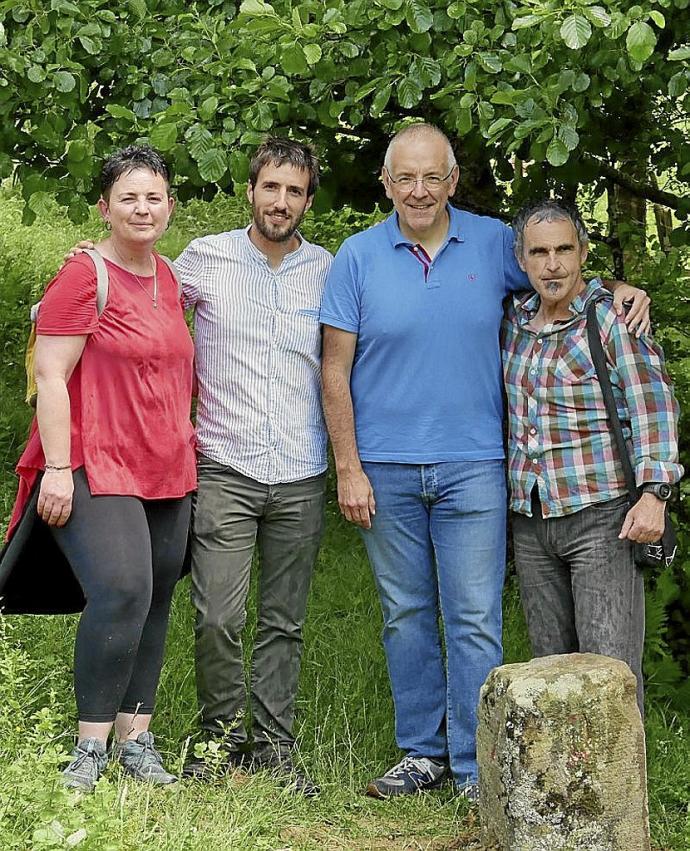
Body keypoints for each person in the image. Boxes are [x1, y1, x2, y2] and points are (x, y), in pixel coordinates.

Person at [319, 123, 650, 801]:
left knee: (474, 615)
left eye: (431, 177)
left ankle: (477, 765)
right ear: (385, 183)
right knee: (404, 612)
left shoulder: (493, 240)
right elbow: (334, 368)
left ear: (452, 180)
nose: (418, 190)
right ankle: (421, 751)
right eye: (404, 178)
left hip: (476, 463)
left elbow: (556, 268)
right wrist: (347, 466)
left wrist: (622, 286)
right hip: (384, 465)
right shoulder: (356, 257)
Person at [0, 146, 197, 791]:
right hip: (94, 460)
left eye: (155, 197)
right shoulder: (85, 276)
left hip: (166, 464)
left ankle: (136, 741)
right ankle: (90, 749)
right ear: (105, 208)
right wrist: (57, 468)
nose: (143, 209)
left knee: (157, 599)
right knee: (121, 591)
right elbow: (51, 374)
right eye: (129, 198)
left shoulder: (169, 278)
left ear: (170, 206)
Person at [173, 138, 331, 796]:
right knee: (217, 616)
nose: (281, 201)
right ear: (251, 190)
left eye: (295, 191)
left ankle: (273, 747)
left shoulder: (329, 270)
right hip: (225, 467)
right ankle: (217, 739)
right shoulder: (204, 258)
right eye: (272, 187)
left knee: (284, 620)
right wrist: (77, 284)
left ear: (308, 201)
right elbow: (138, 299)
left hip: (301, 472)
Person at [502, 198, 682, 714]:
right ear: (522, 259)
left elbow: (655, 408)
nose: (552, 264)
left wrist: (654, 495)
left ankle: (624, 793)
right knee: (550, 674)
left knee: (609, 675)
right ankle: (561, 792)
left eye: (563, 249)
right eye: (539, 252)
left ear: (582, 252)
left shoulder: (611, 319)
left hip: (603, 518)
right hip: (532, 520)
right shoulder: (512, 321)